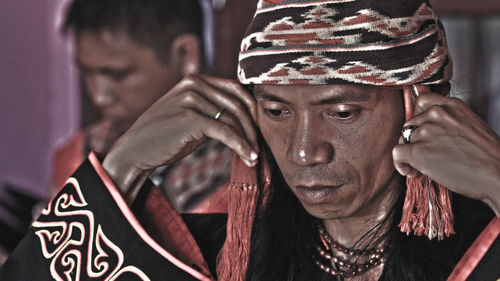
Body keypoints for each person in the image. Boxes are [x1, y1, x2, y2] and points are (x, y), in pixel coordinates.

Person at [2, 0, 499, 280]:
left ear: (418, 105)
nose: (305, 151)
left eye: (343, 111)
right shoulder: (229, 259)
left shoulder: (480, 253)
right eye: (277, 110)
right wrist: (126, 162)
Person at [52, 0, 231, 212]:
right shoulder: (76, 157)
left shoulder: (241, 164)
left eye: (118, 74)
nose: (99, 96)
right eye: (87, 72)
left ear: (185, 54)